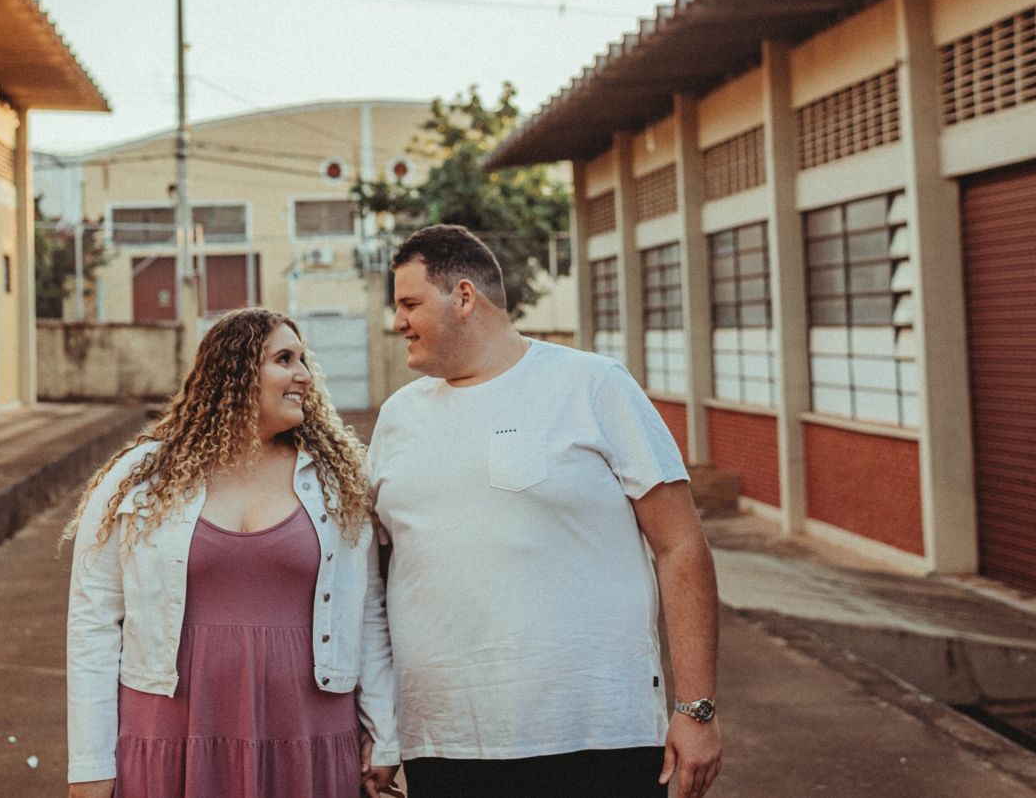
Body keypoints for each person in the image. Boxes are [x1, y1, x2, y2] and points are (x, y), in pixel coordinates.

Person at [368, 224, 723, 798]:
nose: (396, 322)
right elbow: (372, 581)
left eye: (409, 303)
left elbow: (679, 544)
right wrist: (381, 730)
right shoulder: (398, 418)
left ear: (463, 296)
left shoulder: (592, 385)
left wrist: (697, 708)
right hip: (443, 742)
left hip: (596, 736)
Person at [64, 307, 401, 798]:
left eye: (303, 360)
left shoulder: (334, 482)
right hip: (171, 726)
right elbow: (93, 618)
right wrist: (90, 763)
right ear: (236, 374)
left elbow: (367, 610)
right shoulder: (141, 479)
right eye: (284, 359)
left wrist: (385, 734)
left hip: (306, 728)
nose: (304, 376)